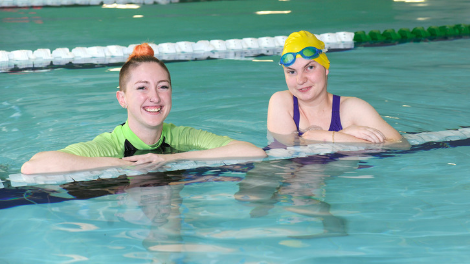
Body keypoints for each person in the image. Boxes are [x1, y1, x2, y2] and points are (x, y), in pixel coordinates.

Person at [21, 43, 266, 175]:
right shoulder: (111, 145)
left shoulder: (181, 137)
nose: (155, 98)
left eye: (162, 87)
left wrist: (171, 158)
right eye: (141, 88)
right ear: (122, 98)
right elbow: (34, 166)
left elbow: (254, 153)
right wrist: (124, 163)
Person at [267, 30, 410, 148]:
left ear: (325, 68)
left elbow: (400, 145)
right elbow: (287, 151)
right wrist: (343, 135)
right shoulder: (282, 102)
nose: (301, 80)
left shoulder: (352, 108)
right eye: (292, 72)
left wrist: (330, 137)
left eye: (309, 67)